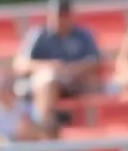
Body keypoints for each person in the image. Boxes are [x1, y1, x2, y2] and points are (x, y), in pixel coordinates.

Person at [13, 0, 101, 130]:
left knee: (95, 82)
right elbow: (19, 65)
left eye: (65, 15)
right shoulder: (39, 35)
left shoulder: (83, 35)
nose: (62, 19)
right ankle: (44, 126)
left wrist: (74, 68)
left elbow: (96, 61)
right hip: (44, 82)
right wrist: (49, 66)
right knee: (48, 79)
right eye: (59, 15)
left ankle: (96, 130)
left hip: (74, 81)